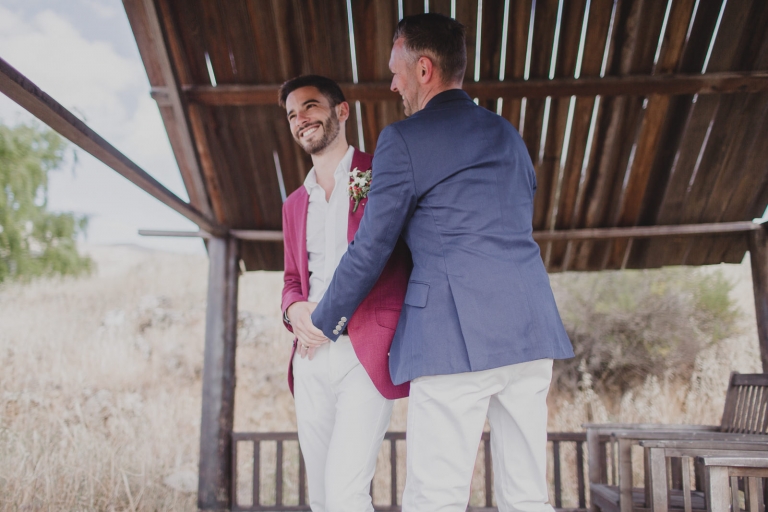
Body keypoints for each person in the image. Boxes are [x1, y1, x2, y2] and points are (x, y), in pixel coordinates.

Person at [300, 14, 574, 512]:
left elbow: (371, 247)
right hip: (530, 331)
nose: (392, 83)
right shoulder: (506, 133)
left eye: (396, 70)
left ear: (423, 69)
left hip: (453, 336)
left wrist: (322, 321)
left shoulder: (404, 139)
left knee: (435, 497)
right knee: (528, 494)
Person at [278, 74, 411, 512]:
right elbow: (292, 278)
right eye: (293, 114)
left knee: (345, 491)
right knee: (320, 496)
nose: (301, 119)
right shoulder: (295, 203)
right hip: (310, 357)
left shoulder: (381, 174)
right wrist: (293, 308)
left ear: (341, 111)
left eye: (310, 107)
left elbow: (392, 258)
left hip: (366, 352)